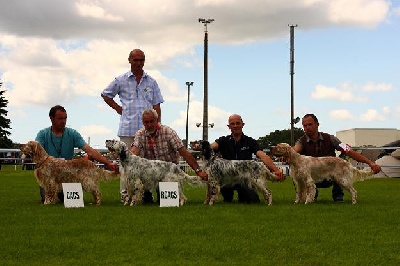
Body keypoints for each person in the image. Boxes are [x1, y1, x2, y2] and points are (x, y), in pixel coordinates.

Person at [101, 48, 164, 201]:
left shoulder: (151, 81)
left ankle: (145, 194)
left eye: (141, 60)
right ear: (129, 60)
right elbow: (105, 94)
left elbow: (156, 105)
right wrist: (118, 109)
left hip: (147, 130)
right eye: (136, 60)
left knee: (147, 165)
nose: (139, 63)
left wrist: (158, 125)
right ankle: (126, 196)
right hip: (127, 128)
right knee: (126, 165)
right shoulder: (120, 80)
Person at [35, 105, 119, 204]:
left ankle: (90, 197)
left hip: (69, 176)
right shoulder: (42, 134)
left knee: (71, 201)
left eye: (65, 118)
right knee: (46, 197)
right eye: (60, 118)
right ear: (51, 118)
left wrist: (108, 164)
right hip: (50, 176)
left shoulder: (72, 133)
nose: (63, 121)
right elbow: (37, 153)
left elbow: (90, 151)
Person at [293, 113, 381, 203]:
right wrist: (285, 154)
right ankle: (311, 196)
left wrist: (370, 163)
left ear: (317, 124)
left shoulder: (331, 138)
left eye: (310, 124)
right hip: (313, 176)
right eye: (305, 126)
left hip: (331, 175)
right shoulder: (301, 141)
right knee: (297, 172)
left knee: (340, 163)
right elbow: (294, 151)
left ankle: (338, 196)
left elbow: (349, 151)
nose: (307, 128)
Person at [130, 109, 208, 203]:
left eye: (151, 121)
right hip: (149, 175)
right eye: (146, 122)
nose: (149, 125)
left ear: (157, 120)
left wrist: (198, 171)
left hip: (169, 173)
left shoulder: (168, 132)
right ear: (142, 122)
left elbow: (184, 152)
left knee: (168, 202)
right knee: (146, 202)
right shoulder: (140, 134)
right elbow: (133, 153)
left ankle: (168, 194)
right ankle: (147, 194)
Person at [209, 114, 284, 204]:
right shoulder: (223, 140)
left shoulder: (250, 141)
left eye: (238, 123)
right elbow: (211, 147)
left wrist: (276, 170)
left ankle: (266, 197)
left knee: (252, 200)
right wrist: (201, 146)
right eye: (232, 124)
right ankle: (226, 196)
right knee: (227, 198)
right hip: (227, 179)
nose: (235, 126)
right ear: (229, 127)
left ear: (242, 125)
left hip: (245, 178)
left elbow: (262, 155)